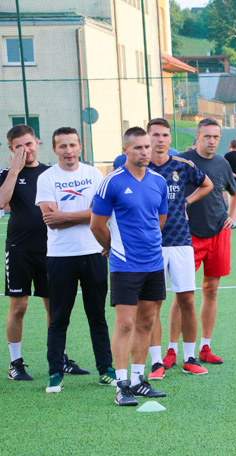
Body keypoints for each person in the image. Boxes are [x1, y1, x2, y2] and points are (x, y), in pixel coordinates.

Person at [90, 127, 168, 406]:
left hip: (154, 263)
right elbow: (96, 224)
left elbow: (159, 220)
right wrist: (114, 248)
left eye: (147, 147)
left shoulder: (158, 181)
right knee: (125, 323)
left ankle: (137, 379)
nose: (145, 151)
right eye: (138, 148)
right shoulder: (111, 182)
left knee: (147, 321)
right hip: (124, 265)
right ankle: (121, 384)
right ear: (125, 151)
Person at [35, 127, 116, 393]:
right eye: (63, 146)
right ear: (55, 149)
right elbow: (52, 222)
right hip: (60, 257)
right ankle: (56, 373)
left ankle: (106, 370)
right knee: (59, 317)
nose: (68, 150)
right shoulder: (47, 178)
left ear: (80, 147)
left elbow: (98, 215)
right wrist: (85, 215)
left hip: (93, 253)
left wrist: (68, 216)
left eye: (73, 145)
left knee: (97, 316)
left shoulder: (94, 174)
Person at [142, 118, 213, 380]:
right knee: (152, 306)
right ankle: (157, 361)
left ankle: (189, 358)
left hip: (182, 242)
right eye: (155, 135)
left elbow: (207, 185)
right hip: (151, 246)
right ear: (147, 138)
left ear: (170, 140)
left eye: (164, 135)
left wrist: (187, 201)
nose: (160, 140)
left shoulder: (183, 167)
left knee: (187, 301)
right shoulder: (139, 168)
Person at [178, 118, 236, 365]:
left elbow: (235, 194)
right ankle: (175, 350)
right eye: (207, 136)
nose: (212, 141)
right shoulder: (182, 160)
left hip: (218, 232)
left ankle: (205, 347)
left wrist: (233, 216)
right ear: (198, 136)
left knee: (211, 290)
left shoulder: (222, 163)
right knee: (184, 294)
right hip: (187, 235)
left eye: (216, 136)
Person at [0, 125, 52, 381]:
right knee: (18, 307)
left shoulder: (51, 173)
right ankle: (15, 363)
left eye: (29, 144)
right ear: (11, 149)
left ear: (37, 142)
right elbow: (1, 202)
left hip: (51, 250)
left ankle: (58, 358)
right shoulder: (7, 173)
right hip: (20, 250)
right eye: (19, 146)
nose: (26, 150)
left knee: (54, 305)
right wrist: (14, 171)